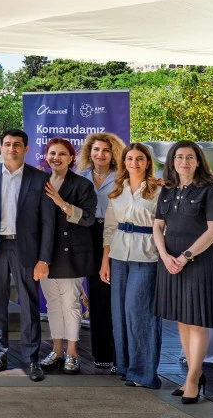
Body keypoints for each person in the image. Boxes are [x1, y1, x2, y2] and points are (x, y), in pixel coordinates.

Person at [0, 129, 54, 381]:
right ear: (1, 147)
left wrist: (44, 259)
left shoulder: (40, 178)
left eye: (17, 144)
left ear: (26, 149)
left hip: (26, 249)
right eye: (7, 144)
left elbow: (48, 222)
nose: (11, 149)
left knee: (29, 303)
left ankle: (31, 359)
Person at [154, 141, 213, 404]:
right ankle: (194, 374)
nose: (184, 162)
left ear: (198, 161)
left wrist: (185, 257)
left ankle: (193, 379)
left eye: (190, 157)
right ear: (172, 161)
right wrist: (165, 256)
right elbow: (157, 226)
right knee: (182, 320)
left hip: (198, 262)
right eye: (179, 157)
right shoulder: (167, 190)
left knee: (196, 321)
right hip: (170, 261)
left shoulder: (209, 191)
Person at [100, 142, 162, 389]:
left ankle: (144, 374)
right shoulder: (118, 189)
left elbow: (164, 226)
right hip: (118, 256)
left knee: (140, 314)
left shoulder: (158, 190)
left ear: (147, 162)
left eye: (139, 159)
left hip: (146, 256)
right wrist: (105, 262)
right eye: (129, 159)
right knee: (120, 314)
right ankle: (126, 367)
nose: (134, 163)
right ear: (123, 162)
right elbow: (109, 228)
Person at [38, 138, 97, 375]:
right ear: (46, 156)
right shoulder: (39, 181)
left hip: (71, 254)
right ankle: (57, 350)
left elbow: (89, 219)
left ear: (72, 157)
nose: (56, 158)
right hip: (45, 255)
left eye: (62, 154)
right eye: (52, 153)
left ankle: (73, 352)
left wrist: (62, 203)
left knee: (70, 305)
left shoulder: (82, 185)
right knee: (52, 304)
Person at [78, 131, 124, 373]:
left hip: (115, 236)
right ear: (89, 152)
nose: (101, 154)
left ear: (113, 153)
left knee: (116, 297)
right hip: (87, 236)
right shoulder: (80, 176)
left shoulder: (122, 177)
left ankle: (120, 356)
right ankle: (102, 354)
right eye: (96, 149)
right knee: (97, 297)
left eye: (106, 150)